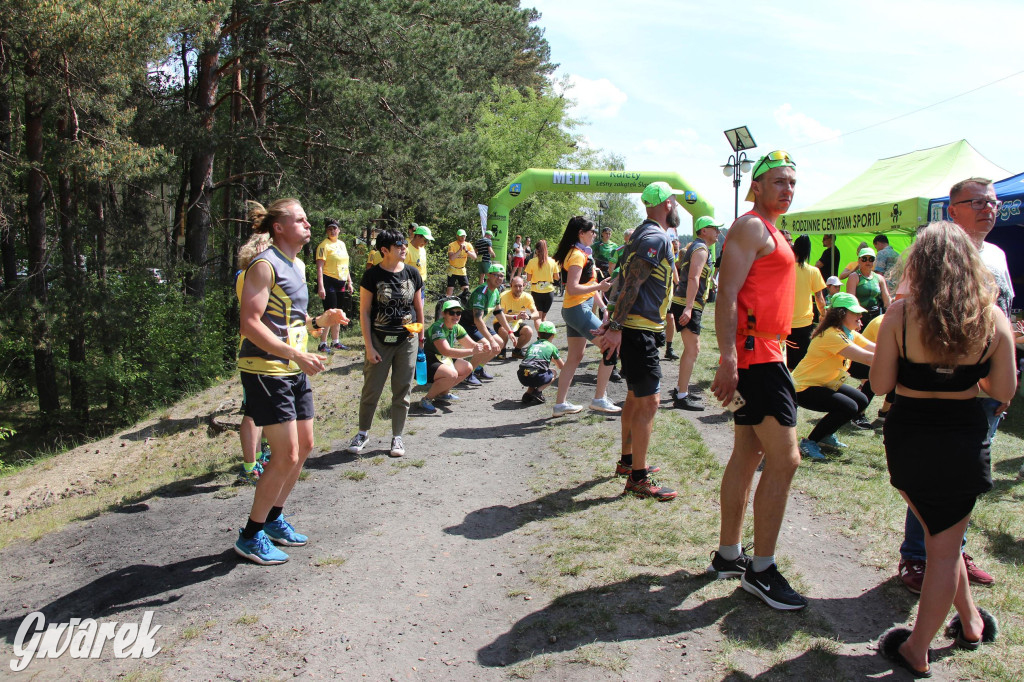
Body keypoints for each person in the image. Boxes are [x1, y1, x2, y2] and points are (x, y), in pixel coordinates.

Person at [873, 222, 1014, 677]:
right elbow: (1002, 388)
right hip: (963, 437)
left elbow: (880, 385)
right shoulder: (992, 319)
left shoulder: (900, 314)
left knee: (941, 544)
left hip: (911, 435)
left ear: (920, 263)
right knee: (944, 542)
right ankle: (969, 623)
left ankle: (918, 647)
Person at [896, 178, 1009, 594]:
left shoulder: (996, 255)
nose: (988, 209)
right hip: (942, 392)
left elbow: (1004, 317)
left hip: (986, 390)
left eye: (993, 202)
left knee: (964, 480)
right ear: (952, 209)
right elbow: (907, 316)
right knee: (928, 477)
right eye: (977, 201)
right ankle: (917, 557)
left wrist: (1001, 379)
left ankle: (954, 557)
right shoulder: (932, 256)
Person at [708, 150, 806, 610]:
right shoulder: (750, 226)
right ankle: (761, 571)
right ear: (759, 185)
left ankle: (730, 554)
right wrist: (727, 357)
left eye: (792, 183)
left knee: (748, 453)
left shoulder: (773, 231)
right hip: (755, 357)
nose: (788, 189)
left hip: (768, 352)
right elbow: (726, 293)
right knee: (786, 461)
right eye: (780, 182)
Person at [234, 199, 348, 565]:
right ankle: (250, 536)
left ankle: (272, 518)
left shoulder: (297, 265)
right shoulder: (263, 266)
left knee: (306, 446)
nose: (308, 224)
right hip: (265, 368)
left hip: (292, 368)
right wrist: (295, 355)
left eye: (307, 218)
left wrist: (321, 320)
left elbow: (294, 323)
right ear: (279, 227)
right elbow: (250, 323)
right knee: (286, 454)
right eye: (299, 220)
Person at [595, 182, 681, 500]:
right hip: (638, 329)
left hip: (634, 327)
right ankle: (638, 480)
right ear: (667, 203)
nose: (676, 205)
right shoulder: (655, 237)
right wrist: (614, 324)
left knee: (633, 396)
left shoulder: (639, 237)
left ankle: (628, 461)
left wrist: (610, 320)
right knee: (649, 402)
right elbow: (632, 281)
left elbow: (620, 279)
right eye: (674, 200)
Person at [347, 229, 424, 458]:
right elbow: (365, 313)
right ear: (384, 250)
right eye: (399, 245)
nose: (404, 248)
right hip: (379, 341)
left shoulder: (412, 273)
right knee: (372, 389)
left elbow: (418, 308)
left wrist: (420, 336)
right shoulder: (372, 276)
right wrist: (369, 347)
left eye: (404, 244)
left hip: (407, 341)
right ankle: (363, 433)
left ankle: (397, 437)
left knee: (402, 389)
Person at [791, 292, 874, 459]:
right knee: (849, 407)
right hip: (803, 388)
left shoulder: (848, 333)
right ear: (841, 314)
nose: (860, 316)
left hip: (823, 384)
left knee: (861, 400)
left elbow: (875, 348)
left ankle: (826, 436)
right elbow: (867, 358)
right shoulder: (832, 335)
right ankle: (810, 442)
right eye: (855, 312)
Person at [551, 216, 620, 417]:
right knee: (610, 347)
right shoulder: (577, 255)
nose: (595, 235)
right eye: (592, 232)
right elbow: (573, 288)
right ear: (581, 233)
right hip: (578, 310)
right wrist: (601, 286)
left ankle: (560, 404)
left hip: (576, 310)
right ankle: (599, 399)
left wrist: (603, 306)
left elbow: (588, 287)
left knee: (575, 357)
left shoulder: (579, 253)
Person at [670, 216, 722, 410]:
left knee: (691, 349)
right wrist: (690, 307)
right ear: (703, 230)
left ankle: (680, 390)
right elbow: (693, 277)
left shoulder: (699, 248)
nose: (718, 231)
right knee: (693, 349)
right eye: (714, 228)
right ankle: (681, 395)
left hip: (686, 302)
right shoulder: (700, 249)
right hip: (686, 303)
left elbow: (697, 277)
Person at [235, 232, 273, 485]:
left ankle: (263, 455)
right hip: (254, 353)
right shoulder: (248, 275)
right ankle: (250, 466)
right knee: (253, 411)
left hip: (274, 351)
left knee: (269, 408)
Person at [419, 300, 488, 413]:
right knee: (452, 374)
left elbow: (471, 344)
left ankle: (443, 393)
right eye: (452, 313)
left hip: (442, 359)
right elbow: (446, 351)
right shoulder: (438, 328)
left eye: (458, 313)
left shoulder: (457, 327)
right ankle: (426, 399)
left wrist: (483, 346)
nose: (456, 316)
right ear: (443, 314)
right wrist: (473, 351)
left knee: (468, 367)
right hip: (426, 361)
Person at [462, 263, 513, 382]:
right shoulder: (482, 292)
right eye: (496, 275)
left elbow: (499, 313)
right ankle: (467, 374)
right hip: (468, 325)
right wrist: (490, 340)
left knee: (500, 343)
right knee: (488, 345)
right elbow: (477, 319)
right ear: (488, 275)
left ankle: (478, 369)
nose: (499, 279)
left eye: (501, 276)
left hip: (478, 325)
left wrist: (509, 331)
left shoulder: (496, 291)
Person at [786, 235, 827, 371]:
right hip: (804, 324)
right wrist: (824, 315)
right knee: (801, 362)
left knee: (787, 361)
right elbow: (819, 299)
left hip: (784, 323)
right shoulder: (813, 271)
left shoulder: (785, 269)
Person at [316, 219, 354, 350]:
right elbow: (319, 267)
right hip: (329, 280)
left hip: (341, 281)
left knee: (339, 312)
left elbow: (345, 264)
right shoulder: (323, 246)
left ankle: (336, 341)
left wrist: (350, 281)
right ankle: (322, 343)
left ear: (339, 230)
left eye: (334, 229)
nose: (332, 231)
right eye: (329, 229)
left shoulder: (342, 244)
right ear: (327, 231)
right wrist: (321, 286)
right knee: (329, 313)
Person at [517, 321, 565, 404]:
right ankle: (537, 392)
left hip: (522, 375)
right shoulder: (551, 347)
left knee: (532, 370)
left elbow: (531, 359)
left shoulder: (532, 345)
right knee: (553, 372)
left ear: (538, 334)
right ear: (553, 335)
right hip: (536, 375)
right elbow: (561, 366)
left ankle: (528, 393)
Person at [496, 276, 538, 359]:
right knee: (503, 330)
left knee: (528, 331)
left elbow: (536, 314)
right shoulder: (503, 296)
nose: (518, 288)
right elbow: (500, 316)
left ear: (524, 286)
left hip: (516, 323)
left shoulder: (528, 297)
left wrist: (529, 316)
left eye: (520, 286)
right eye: (515, 286)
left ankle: (517, 351)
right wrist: (516, 316)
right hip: (501, 322)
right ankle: (502, 350)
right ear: (511, 285)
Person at [846, 247, 891, 326]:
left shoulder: (879, 278)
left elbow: (887, 301)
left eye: (871, 259)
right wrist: (856, 319)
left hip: (876, 316)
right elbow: (851, 301)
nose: (868, 261)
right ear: (859, 260)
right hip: (860, 316)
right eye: (864, 258)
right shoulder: (854, 277)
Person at [524, 239, 559, 321]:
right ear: (546, 249)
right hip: (549, 291)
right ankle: (544, 333)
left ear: (536, 250)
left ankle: (540, 333)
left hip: (536, 291)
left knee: (538, 316)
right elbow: (557, 277)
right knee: (543, 316)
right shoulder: (552, 261)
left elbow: (528, 279)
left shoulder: (532, 262)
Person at [445, 229, 477, 297]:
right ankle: (447, 303)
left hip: (462, 270)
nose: (463, 238)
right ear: (457, 236)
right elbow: (452, 258)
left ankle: (465, 303)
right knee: (450, 288)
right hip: (452, 270)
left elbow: (474, 257)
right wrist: (460, 250)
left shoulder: (468, 245)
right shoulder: (452, 245)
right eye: (461, 236)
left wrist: (466, 251)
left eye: (464, 236)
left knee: (466, 290)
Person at [405, 225, 433, 300]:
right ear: (418, 236)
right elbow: (401, 269)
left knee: (420, 308)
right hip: (410, 286)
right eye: (425, 240)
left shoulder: (422, 249)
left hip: (421, 284)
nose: (426, 243)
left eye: (428, 241)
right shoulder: (407, 250)